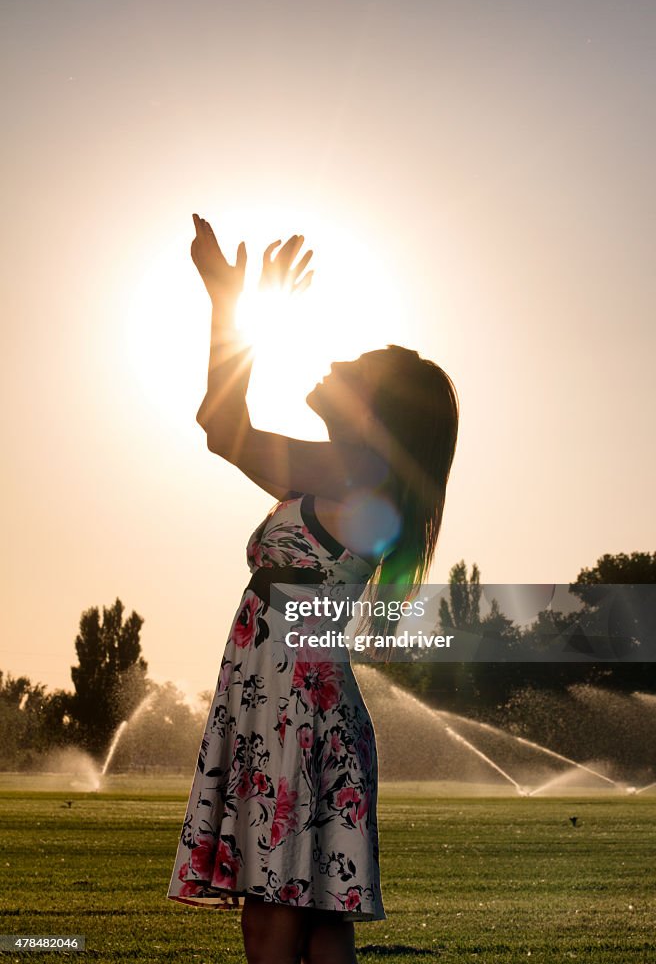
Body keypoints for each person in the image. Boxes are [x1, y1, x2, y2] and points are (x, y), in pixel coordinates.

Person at [167, 215, 460, 964]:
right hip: (297, 706)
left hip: (293, 712)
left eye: (354, 366)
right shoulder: (351, 477)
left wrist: (228, 307)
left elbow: (220, 427)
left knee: (273, 924)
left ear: (376, 412)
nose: (334, 361)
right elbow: (222, 424)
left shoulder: (352, 475)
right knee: (321, 925)